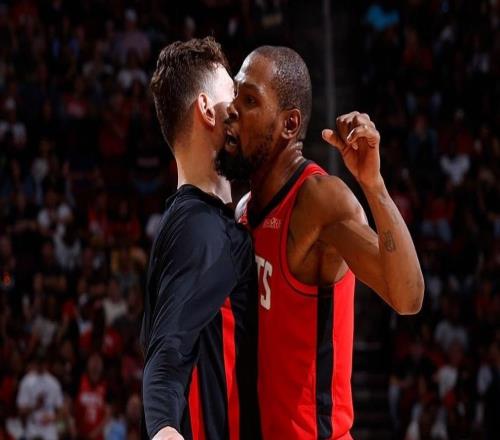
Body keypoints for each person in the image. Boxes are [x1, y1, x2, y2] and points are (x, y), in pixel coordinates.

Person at [216, 46, 424, 439]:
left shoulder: (319, 201)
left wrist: (373, 185)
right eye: (235, 96)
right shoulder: (243, 211)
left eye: (250, 101)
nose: (233, 110)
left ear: (289, 124)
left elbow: (408, 297)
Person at [141, 37, 260, 440]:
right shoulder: (201, 229)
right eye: (234, 98)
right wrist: (164, 429)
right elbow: (167, 357)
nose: (241, 113)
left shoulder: (199, 220)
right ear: (207, 110)